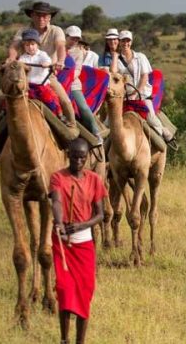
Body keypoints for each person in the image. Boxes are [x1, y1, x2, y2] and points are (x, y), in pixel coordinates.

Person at [49, 137, 107, 344]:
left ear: (88, 157)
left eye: (82, 157)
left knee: (84, 292)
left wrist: (82, 225)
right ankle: (64, 340)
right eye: (74, 157)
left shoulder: (94, 180)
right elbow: (56, 201)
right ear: (68, 156)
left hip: (84, 244)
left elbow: (100, 214)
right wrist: (59, 222)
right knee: (64, 290)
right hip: (62, 241)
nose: (78, 161)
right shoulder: (57, 177)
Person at [0, 1, 76, 128]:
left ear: (49, 17)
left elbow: (61, 46)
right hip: (24, 76)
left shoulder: (56, 31)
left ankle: (71, 127)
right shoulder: (24, 31)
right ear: (32, 16)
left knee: (65, 100)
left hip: (46, 75)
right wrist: (11, 59)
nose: (41, 18)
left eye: (45, 16)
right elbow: (14, 46)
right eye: (38, 15)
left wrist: (61, 61)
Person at [113, 30, 172, 142]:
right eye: (123, 41)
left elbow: (145, 77)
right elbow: (114, 73)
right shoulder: (117, 60)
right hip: (124, 97)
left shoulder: (140, 57)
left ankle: (163, 136)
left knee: (151, 118)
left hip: (142, 95)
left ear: (131, 42)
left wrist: (136, 94)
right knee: (109, 122)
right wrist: (115, 56)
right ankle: (104, 149)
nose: (125, 43)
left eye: (127, 40)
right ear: (119, 42)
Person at [65, 26, 102, 144]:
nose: (74, 41)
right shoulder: (57, 47)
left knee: (84, 108)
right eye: (72, 38)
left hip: (72, 84)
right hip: (54, 83)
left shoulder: (78, 52)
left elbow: (77, 70)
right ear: (66, 36)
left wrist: (66, 79)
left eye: (76, 39)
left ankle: (95, 132)